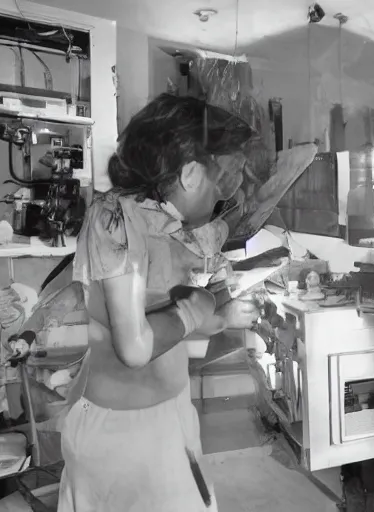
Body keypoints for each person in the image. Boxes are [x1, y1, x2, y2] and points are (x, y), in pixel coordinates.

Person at [58, 94, 262, 512]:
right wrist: (197, 306)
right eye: (219, 177)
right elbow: (135, 347)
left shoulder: (167, 226)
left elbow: (180, 321)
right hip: (123, 435)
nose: (222, 193)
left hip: (170, 417)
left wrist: (224, 313)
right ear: (190, 174)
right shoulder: (114, 216)